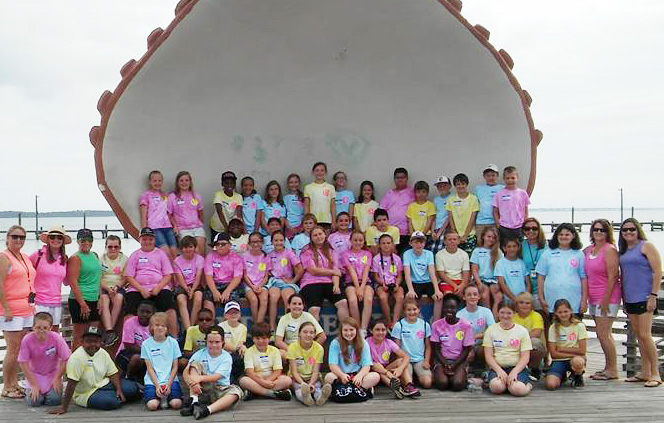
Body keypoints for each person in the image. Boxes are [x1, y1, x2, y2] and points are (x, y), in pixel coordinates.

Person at [49, 325, 141, 414]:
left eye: (96, 341)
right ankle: (117, 397)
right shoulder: (76, 358)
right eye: (89, 341)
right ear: (82, 342)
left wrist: (119, 389)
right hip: (86, 393)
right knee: (111, 402)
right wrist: (64, 407)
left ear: (100, 342)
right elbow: (71, 384)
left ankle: (118, 395)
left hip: (104, 384)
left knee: (131, 388)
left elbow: (113, 373)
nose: (93, 345)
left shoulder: (102, 352)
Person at [618, 218, 662, 387]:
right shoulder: (623, 250)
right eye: (625, 230)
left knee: (645, 335)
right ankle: (645, 371)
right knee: (639, 336)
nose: (628, 232)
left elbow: (657, 271)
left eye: (632, 229)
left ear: (638, 230)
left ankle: (655, 373)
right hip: (630, 298)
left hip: (645, 297)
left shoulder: (646, 246)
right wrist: (623, 298)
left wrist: (653, 295)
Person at [584, 218, 620, 381]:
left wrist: (605, 301)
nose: (598, 232)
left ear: (607, 232)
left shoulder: (609, 249)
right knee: (604, 334)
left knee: (603, 334)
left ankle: (613, 370)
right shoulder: (589, 250)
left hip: (607, 297)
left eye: (602, 230)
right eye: (596, 229)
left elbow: (613, 276)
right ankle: (608, 367)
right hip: (593, 297)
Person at [180, 326, 243, 419]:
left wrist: (199, 378)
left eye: (217, 342)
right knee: (194, 365)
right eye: (210, 342)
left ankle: (207, 410)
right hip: (202, 389)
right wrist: (192, 383)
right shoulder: (199, 353)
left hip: (219, 389)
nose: (213, 345)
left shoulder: (226, 357)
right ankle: (194, 403)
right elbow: (186, 371)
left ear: (223, 342)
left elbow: (216, 377)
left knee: (236, 392)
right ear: (206, 342)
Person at [124, 227, 177, 337]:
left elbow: (168, 275)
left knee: (170, 310)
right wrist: (141, 289)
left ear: (154, 240)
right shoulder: (135, 255)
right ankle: (128, 340)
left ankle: (174, 339)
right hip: (138, 289)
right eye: (144, 239)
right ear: (140, 240)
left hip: (159, 288)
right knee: (129, 312)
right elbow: (129, 276)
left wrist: (158, 288)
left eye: (150, 239)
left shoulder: (161, 254)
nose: (147, 242)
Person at [536, 223, 588, 319]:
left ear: (573, 236)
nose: (564, 237)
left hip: (574, 302)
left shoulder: (579, 254)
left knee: (575, 328)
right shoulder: (547, 253)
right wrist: (541, 298)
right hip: (552, 301)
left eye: (567, 234)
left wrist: (584, 300)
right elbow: (541, 277)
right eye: (561, 234)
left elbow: (583, 278)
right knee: (554, 327)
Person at [19, 312, 71, 406]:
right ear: (33, 327)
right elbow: (23, 362)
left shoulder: (57, 338)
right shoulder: (27, 340)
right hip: (34, 375)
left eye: (45, 328)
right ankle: (32, 391)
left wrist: (57, 378)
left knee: (54, 400)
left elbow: (66, 358)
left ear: (50, 328)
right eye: (38, 327)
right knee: (34, 401)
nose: (42, 330)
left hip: (52, 374)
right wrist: (33, 384)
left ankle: (48, 394)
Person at [299, 226, 349, 320]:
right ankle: (315, 330)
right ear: (311, 238)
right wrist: (332, 271)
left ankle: (346, 328)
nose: (318, 237)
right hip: (311, 282)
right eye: (315, 235)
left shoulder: (332, 251)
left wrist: (336, 285)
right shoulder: (306, 251)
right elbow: (313, 270)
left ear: (325, 235)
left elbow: (336, 271)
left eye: (320, 234)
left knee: (343, 303)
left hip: (329, 281)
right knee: (314, 309)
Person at [483, 301, 533, 396]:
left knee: (517, 390)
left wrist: (514, 372)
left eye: (509, 313)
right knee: (496, 387)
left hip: (517, 367)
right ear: (498, 313)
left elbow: (525, 357)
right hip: (498, 367)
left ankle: (528, 385)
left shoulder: (522, 331)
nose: (505, 316)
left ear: (514, 313)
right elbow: (488, 356)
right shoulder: (490, 330)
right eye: (502, 312)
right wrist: (499, 371)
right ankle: (506, 384)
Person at [66, 228, 102, 351]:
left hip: (94, 299)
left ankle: (89, 360)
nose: (86, 243)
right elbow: (72, 282)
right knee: (79, 337)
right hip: (80, 301)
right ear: (78, 241)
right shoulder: (75, 258)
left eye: (89, 240)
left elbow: (98, 279)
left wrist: (100, 297)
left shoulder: (95, 255)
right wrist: (82, 304)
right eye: (83, 240)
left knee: (93, 334)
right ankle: (74, 362)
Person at [431, 294, 475, 391]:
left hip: (459, 361)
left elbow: (466, 349)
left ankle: (461, 374)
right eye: (446, 307)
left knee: (457, 384)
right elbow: (436, 349)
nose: (449, 310)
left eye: (452, 307)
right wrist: (445, 364)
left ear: (457, 308)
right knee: (442, 384)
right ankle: (441, 374)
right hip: (442, 360)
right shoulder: (436, 325)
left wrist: (454, 365)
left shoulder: (465, 325)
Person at [239, 322, 293, 400]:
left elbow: (278, 370)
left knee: (287, 380)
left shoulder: (275, 350)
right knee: (244, 381)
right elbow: (250, 372)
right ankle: (273, 394)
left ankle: (256, 392)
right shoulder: (249, 352)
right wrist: (262, 382)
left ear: (269, 338)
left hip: (272, 379)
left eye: (264, 338)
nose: (261, 341)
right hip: (256, 379)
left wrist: (267, 381)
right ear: (253, 339)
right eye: (257, 338)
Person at [324, 317, 380, 393]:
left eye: (351, 330)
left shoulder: (363, 343)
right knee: (329, 377)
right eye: (345, 330)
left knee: (375, 376)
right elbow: (333, 365)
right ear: (341, 331)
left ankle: (343, 390)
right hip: (342, 375)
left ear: (356, 330)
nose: (349, 333)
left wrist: (359, 376)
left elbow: (366, 366)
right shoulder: (335, 343)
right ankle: (360, 390)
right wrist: (342, 375)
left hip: (357, 376)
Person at [141, 312, 183, 410]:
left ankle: (167, 398)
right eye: (157, 325)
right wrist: (157, 386)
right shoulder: (146, 344)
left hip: (170, 380)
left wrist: (169, 384)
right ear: (152, 327)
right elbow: (149, 368)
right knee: (152, 405)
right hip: (153, 381)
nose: (160, 328)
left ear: (167, 328)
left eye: (163, 325)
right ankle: (159, 398)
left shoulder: (173, 343)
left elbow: (175, 366)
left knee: (176, 404)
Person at [368, 318, 419, 398]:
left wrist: (400, 369)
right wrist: (388, 373)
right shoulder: (366, 342)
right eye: (377, 330)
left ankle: (409, 385)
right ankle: (397, 387)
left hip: (386, 369)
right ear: (371, 331)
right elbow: (370, 364)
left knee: (401, 361)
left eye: (383, 330)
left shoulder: (389, 342)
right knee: (376, 365)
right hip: (373, 372)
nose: (380, 332)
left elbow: (406, 357)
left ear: (386, 331)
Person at [30, 226, 69, 331]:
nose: (56, 240)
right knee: (39, 332)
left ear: (63, 241)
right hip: (39, 301)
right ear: (48, 239)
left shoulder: (64, 258)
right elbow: (25, 272)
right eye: (52, 237)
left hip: (56, 302)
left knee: (54, 333)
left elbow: (66, 282)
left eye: (59, 237)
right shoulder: (38, 255)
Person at [391, 298, 433, 389]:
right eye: (409, 310)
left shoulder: (425, 325)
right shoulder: (399, 325)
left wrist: (426, 360)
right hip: (405, 360)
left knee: (427, 383)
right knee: (408, 383)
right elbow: (397, 348)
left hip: (420, 360)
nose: (412, 312)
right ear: (404, 311)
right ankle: (410, 377)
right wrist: (401, 364)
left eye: (414, 309)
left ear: (419, 309)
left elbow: (428, 346)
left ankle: (417, 375)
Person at [545, 299, 588, 390]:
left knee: (578, 362)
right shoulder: (553, 327)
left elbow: (582, 351)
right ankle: (561, 375)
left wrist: (561, 349)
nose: (563, 314)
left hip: (575, 359)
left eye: (565, 311)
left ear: (571, 311)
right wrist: (573, 352)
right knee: (551, 385)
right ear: (555, 313)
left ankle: (577, 376)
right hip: (559, 360)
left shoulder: (579, 326)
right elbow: (553, 354)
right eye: (560, 312)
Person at [266, 230, 304, 332]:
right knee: (273, 297)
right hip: (274, 282)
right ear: (272, 242)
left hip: (287, 283)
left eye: (281, 240)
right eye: (276, 240)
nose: (278, 242)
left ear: (284, 241)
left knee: (288, 298)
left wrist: (293, 281)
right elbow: (267, 271)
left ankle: (288, 327)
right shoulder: (269, 254)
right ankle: (272, 328)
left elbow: (300, 269)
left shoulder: (289, 253)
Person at [287, 322, 330, 406]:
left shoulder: (319, 348)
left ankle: (320, 397)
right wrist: (303, 384)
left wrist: (311, 384)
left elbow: (315, 371)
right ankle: (305, 399)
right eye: (305, 332)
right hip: (297, 378)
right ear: (299, 333)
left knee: (316, 388)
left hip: (312, 378)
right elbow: (294, 371)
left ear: (314, 335)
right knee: (299, 390)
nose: (308, 335)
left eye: (311, 332)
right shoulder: (292, 347)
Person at [203, 232, 243, 320]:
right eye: (217, 244)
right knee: (207, 307)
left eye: (223, 244)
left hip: (230, 285)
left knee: (233, 308)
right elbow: (208, 276)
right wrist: (214, 291)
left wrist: (227, 291)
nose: (220, 246)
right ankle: (211, 326)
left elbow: (237, 278)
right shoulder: (210, 257)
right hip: (214, 284)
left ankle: (231, 326)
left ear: (229, 245)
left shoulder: (236, 258)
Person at [275, 293, 326, 359]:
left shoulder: (308, 316)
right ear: (288, 305)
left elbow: (322, 337)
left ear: (303, 306)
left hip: (306, 351)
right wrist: (294, 351)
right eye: (294, 304)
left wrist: (311, 350)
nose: (297, 306)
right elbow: (278, 341)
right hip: (290, 350)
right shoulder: (284, 318)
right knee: (279, 353)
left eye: (299, 304)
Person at [342, 231, 374, 335]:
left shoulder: (367, 254)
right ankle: (357, 326)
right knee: (352, 300)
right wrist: (357, 288)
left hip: (365, 282)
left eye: (360, 240)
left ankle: (363, 329)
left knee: (368, 299)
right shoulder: (346, 254)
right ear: (350, 241)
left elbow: (366, 271)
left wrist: (362, 287)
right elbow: (351, 271)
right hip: (351, 282)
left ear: (364, 241)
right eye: (355, 240)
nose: (358, 242)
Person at [404, 231, 442, 320]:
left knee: (439, 297)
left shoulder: (429, 254)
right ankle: (413, 319)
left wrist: (437, 290)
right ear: (411, 243)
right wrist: (411, 290)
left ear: (424, 243)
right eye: (416, 242)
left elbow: (432, 273)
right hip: (414, 282)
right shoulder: (407, 254)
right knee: (409, 298)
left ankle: (436, 321)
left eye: (421, 242)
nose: (419, 245)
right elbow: (407, 274)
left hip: (427, 282)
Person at [139, 170, 176, 259]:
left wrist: (175, 226)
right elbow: (143, 215)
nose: (157, 183)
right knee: (166, 254)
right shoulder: (145, 195)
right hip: (155, 228)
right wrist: (144, 232)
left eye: (159, 180)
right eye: (154, 181)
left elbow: (170, 213)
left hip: (168, 227)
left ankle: (173, 269)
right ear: (150, 182)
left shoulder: (166, 195)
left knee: (174, 254)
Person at [168, 170, 206, 254]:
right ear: (177, 182)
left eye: (186, 180)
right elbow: (169, 214)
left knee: (201, 252)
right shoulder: (172, 197)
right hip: (183, 229)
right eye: (181, 180)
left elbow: (200, 211)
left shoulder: (196, 196)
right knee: (193, 252)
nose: (184, 183)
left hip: (197, 228)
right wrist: (175, 226)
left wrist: (201, 222)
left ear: (190, 182)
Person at [456, 285, 495, 369]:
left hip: (483, 343)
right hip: (466, 344)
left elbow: (493, 330)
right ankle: (465, 371)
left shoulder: (486, 311)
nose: (472, 297)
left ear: (479, 296)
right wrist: (469, 344)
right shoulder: (459, 314)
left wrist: (477, 336)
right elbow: (458, 335)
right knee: (468, 355)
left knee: (488, 348)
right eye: (469, 294)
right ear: (464, 297)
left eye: (475, 294)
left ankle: (488, 370)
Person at [116, 301, 155, 382]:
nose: (144, 314)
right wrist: (148, 352)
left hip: (148, 354)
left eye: (148, 312)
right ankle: (127, 377)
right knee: (137, 358)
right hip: (126, 353)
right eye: (142, 311)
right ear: (137, 311)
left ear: (153, 314)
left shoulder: (156, 325)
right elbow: (128, 346)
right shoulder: (130, 322)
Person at [99, 235, 127, 345]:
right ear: (106, 247)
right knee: (104, 299)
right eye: (110, 247)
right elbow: (98, 277)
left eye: (116, 247)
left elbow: (125, 277)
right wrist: (107, 288)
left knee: (119, 298)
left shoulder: (124, 259)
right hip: (104, 286)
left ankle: (111, 328)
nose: (113, 249)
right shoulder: (101, 259)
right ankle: (110, 330)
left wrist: (116, 287)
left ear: (120, 247)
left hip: (118, 286)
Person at [372, 234, 405, 327]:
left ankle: (395, 322)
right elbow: (376, 276)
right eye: (383, 243)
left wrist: (397, 284)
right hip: (381, 284)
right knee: (383, 297)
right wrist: (383, 283)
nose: (386, 245)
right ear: (379, 245)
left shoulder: (397, 258)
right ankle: (388, 321)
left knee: (400, 297)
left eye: (388, 243)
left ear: (392, 244)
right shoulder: (376, 259)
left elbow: (399, 276)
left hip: (394, 283)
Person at [492, 166, 530, 247]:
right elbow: (495, 211)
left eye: (513, 178)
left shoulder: (523, 193)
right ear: (504, 179)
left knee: (519, 248)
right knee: (505, 248)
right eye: (507, 178)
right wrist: (498, 224)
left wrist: (525, 222)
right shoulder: (499, 194)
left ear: (517, 177)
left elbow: (525, 210)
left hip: (519, 227)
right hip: (504, 227)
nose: (510, 180)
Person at [512, 292, 546, 380]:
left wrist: (520, 340)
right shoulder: (512, 317)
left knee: (535, 342)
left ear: (532, 305)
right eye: (521, 302)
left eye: (527, 303)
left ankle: (535, 368)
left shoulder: (536, 316)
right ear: (516, 305)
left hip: (531, 346)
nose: (524, 305)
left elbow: (537, 333)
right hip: (516, 346)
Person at [379, 167, 415, 251]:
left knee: (404, 255)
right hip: (390, 231)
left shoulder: (412, 192)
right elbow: (382, 211)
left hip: (406, 232)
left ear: (407, 179)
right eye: (397, 178)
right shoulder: (389, 193)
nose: (400, 180)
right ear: (394, 179)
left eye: (402, 177)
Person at [173, 235, 205, 330]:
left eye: (190, 247)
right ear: (181, 249)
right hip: (182, 285)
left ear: (194, 247)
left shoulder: (200, 259)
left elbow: (198, 276)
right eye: (185, 247)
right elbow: (179, 278)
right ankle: (188, 329)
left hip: (195, 284)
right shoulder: (177, 261)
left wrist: (193, 289)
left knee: (198, 297)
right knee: (181, 299)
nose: (188, 250)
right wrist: (187, 289)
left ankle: (192, 327)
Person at [470, 226, 503, 315]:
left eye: (493, 237)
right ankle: (487, 317)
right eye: (489, 236)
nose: (491, 239)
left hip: (494, 280)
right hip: (481, 280)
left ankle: (495, 319)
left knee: (498, 297)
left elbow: (501, 270)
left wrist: (499, 284)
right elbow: (474, 269)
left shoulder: (498, 252)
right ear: (483, 236)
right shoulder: (477, 251)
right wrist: (479, 283)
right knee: (485, 296)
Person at [445, 173, 480, 255]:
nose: (460, 186)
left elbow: (473, 218)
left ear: (466, 184)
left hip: (470, 235)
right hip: (455, 236)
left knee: (469, 257)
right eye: (458, 184)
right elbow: (450, 217)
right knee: (456, 257)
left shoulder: (473, 199)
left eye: (463, 184)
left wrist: (465, 235)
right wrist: (455, 233)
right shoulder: (451, 199)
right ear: (455, 186)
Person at [242, 232, 270, 323]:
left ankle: (259, 324)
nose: (255, 244)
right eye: (253, 242)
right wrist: (252, 286)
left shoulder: (266, 257)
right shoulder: (244, 256)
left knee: (264, 299)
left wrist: (260, 286)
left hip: (262, 284)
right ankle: (256, 324)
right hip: (248, 284)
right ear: (249, 243)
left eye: (258, 241)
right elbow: (244, 275)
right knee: (253, 300)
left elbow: (266, 276)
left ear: (262, 242)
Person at [435, 229, 471, 299]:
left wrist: (461, 286)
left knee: (466, 294)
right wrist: (455, 286)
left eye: (454, 239)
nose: (452, 241)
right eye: (449, 239)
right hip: (447, 282)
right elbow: (442, 275)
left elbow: (466, 274)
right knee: (449, 295)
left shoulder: (464, 254)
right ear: (445, 241)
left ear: (458, 241)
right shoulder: (439, 255)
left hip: (461, 282)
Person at [521, 217, 547, 311]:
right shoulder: (520, 245)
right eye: (527, 229)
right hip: (527, 288)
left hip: (544, 288)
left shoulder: (546, 246)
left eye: (534, 228)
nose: (531, 231)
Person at [495, 237, 530, 303]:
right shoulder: (500, 264)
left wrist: (526, 297)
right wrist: (514, 299)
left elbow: (528, 282)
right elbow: (502, 284)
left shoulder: (521, 263)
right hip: (509, 300)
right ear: (504, 248)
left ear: (518, 248)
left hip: (523, 301)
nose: (512, 249)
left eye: (514, 246)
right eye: (509, 247)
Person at [219, 301, 247, 383]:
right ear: (225, 315)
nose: (233, 315)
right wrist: (237, 349)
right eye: (230, 312)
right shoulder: (220, 326)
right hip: (223, 354)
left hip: (236, 354)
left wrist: (242, 348)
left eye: (235, 312)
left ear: (240, 314)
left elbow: (241, 343)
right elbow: (222, 344)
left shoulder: (243, 327)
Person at [304, 162, 336, 231]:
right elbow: (307, 206)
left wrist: (334, 221)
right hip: (313, 221)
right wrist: (306, 222)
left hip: (327, 220)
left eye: (322, 170)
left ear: (325, 172)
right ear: (313, 172)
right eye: (317, 170)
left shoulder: (330, 187)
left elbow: (333, 206)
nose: (319, 173)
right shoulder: (308, 187)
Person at [210, 171, 243, 238]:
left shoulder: (239, 197)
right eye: (226, 183)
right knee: (217, 243)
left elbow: (239, 214)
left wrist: (237, 228)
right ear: (222, 184)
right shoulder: (218, 194)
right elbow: (219, 211)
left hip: (231, 228)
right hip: (217, 227)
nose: (229, 185)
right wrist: (226, 227)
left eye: (232, 183)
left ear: (235, 184)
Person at [474, 164, 504, 237]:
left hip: (497, 222)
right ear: (484, 176)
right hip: (481, 223)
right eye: (488, 175)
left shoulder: (503, 188)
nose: (491, 177)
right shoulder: (478, 189)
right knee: (481, 243)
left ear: (497, 175)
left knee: (496, 243)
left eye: (493, 175)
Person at [428, 175, 452, 255]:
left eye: (444, 185)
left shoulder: (452, 198)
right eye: (439, 186)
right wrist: (432, 232)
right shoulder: (436, 199)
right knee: (433, 251)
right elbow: (434, 217)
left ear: (449, 186)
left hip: (446, 229)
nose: (442, 188)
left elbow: (449, 217)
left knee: (442, 251)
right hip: (436, 229)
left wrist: (440, 232)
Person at [284, 173, 305, 238]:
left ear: (299, 183)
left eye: (296, 182)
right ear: (288, 184)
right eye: (291, 182)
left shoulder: (304, 197)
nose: (293, 184)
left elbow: (306, 213)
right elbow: (284, 216)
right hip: (289, 227)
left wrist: (303, 227)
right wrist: (289, 227)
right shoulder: (285, 198)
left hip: (302, 227)